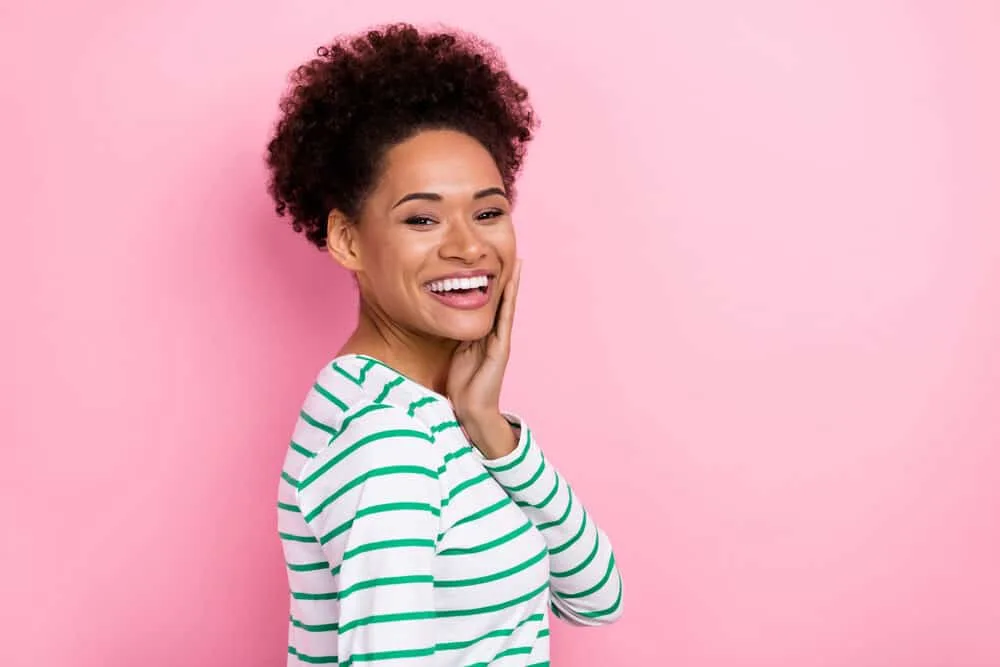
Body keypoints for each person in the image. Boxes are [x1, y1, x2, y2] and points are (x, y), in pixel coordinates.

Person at [266, 22, 623, 666]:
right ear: (347, 239)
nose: (468, 246)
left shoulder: (426, 412)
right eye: (422, 218)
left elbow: (596, 598)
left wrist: (491, 428)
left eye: (488, 212)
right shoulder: (387, 441)